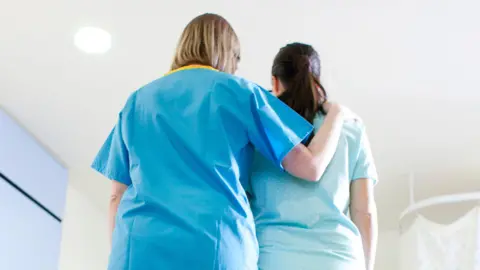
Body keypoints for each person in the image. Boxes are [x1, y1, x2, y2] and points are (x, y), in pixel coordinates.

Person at [91, 15, 348, 270]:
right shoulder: (241, 92)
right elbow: (310, 167)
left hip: (139, 249)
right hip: (217, 246)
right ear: (228, 54)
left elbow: (117, 195)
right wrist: (336, 114)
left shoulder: (137, 101)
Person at [249, 43, 379, 270]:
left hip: (275, 258)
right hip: (338, 260)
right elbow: (364, 211)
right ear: (316, 82)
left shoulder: (259, 131)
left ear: (275, 82)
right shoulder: (351, 130)